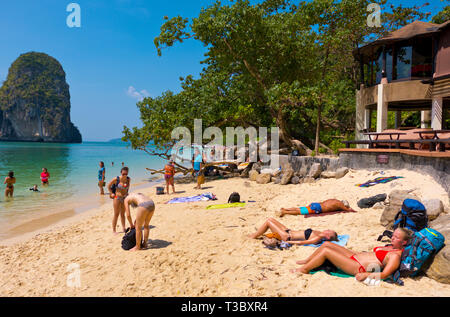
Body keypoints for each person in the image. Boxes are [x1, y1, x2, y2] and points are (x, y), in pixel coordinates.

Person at [291, 228, 411, 282]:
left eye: (396, 237)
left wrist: (366, 275)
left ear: (404, 242)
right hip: (355, 255)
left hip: (357, 266)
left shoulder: (395, 256)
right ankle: (307, 261)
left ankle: (304, 269)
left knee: (326, 252)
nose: (392, 238)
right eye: (393, 235)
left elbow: (385, 274)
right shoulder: (391, 247)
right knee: (326, 244)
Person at [248, 217, 338, 245]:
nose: (328, 229)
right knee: (270, 219)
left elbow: (302, 242)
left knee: (268, 222)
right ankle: (255, 234)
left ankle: (253, 236)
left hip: (287, 236)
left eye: (329, 231)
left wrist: (287, 241)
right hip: (288, 231)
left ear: (328, 236)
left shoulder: (318, 238)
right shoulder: (319, 233)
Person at [108, 167, 131, 234]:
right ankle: (114, 230)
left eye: (126, 173)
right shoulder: (116, 179)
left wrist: (127, 193)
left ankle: (124, 228)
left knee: (123, 214)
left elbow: (127, 188)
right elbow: (108, 186)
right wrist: (111, 193)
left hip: (124, 198)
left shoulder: (128, 179)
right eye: (123, 173)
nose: (125, 175)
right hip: (117, 197)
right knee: (116, 214)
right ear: (121, 172)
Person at [279, 199, 356, 217]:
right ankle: (285, 212)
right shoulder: (340, 205)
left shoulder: (335, 200)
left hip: (316, 204)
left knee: (300, 209)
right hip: (318, 208)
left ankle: (285, 209)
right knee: (300, 212)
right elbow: (347, 210)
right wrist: (351, 210)